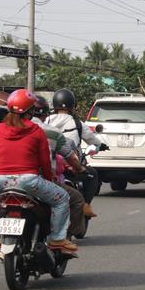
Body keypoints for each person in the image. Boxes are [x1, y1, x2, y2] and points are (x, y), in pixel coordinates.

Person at [0, 89, 76, 253]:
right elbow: (44, 161)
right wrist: (47, 179)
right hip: (29, 181)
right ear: (30, 111)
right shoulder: (36, 130)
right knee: (62, 198)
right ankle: (57, 239)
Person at [32, 96, 97, 231]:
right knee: (69, 198)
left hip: (5, 178)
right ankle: (62, 237)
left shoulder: (7, 129)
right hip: (50, 172)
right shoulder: (56, 130)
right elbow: (71, 155)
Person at [46, 88, 106, 205]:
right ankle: (86, 206)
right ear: (72, 105)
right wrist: (101, 146)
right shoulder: (78, 124)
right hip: (71, 166)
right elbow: (93, 142)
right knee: (93, 174)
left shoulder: (46, 120)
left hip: (47, 165)